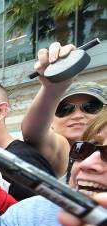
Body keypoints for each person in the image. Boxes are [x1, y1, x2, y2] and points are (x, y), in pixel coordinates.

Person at [21, 42, 106, 176]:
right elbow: (32, 134)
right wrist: (52, 89)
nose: (77, 115)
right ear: (52, 121)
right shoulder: (61, 150)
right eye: (65, 109)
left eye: (90, 107)